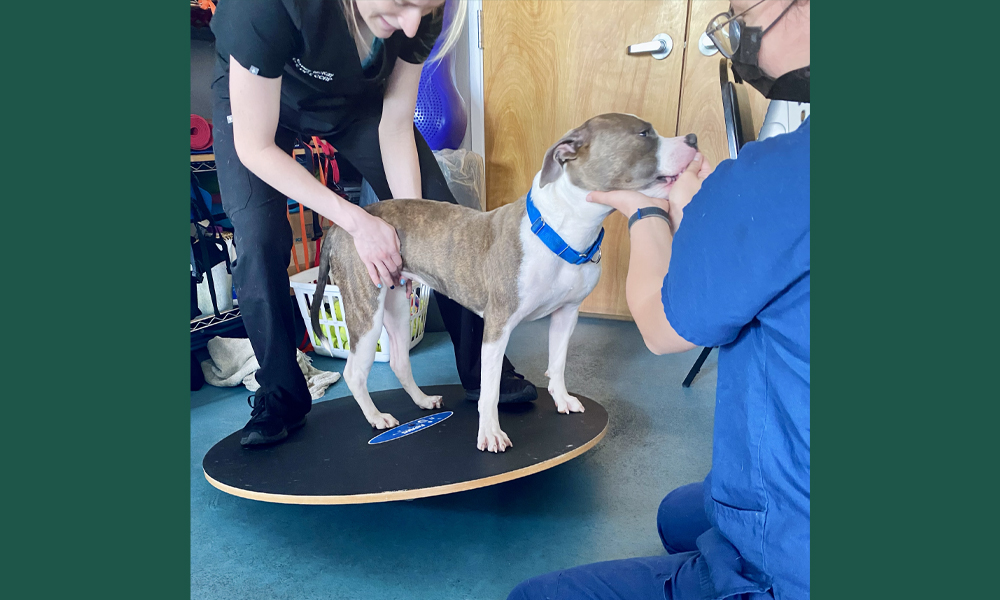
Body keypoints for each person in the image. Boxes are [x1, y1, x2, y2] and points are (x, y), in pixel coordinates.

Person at [508, 1, 810, 598]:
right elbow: (767, 245)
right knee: (680, 513)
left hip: (799, 564)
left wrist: (644, 207)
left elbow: (660, 325)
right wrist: (715, 208)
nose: (737, 33)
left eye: (742, 12)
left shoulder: (777, 174)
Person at [209, 0, 538, 448]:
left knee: (445, 218)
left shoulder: (422, 12)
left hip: (357, 105)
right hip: (263, 106)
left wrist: (417, 242)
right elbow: (256, 146)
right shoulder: (265, 7)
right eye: (402, 3)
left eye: (423, 9)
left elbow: (397, 122)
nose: (411, 22)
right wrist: (358, 223)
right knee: (259, 238)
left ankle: (482, 371)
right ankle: (281, 396)